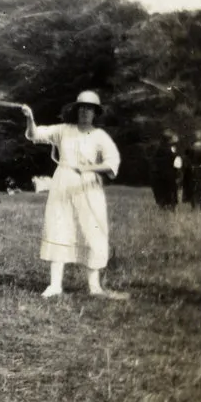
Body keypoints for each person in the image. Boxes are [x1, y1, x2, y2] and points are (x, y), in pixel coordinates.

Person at [21, 91, 128, 300]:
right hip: (62, 184)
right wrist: (29, 117)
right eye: (82, 107)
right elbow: (35, 135)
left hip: (88, 187)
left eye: (89, 108)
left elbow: (112, 164)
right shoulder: (64, 130)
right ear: (76, 110)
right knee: (59, 227)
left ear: (95, 113)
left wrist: (89, 168)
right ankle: (55, 285)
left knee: (93, 229)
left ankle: (94, 286)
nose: (85, 112)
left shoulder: (100, 136)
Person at [150, 129, 183, 210]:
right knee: (171, 192)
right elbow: (177, 163)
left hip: (159, 174)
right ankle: (170, 208)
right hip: (170, 174)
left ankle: (163, 207)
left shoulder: (158, 148)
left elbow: (154, 161)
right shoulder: (172, 149)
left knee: (162, 193)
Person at [185, 129, 201, 211]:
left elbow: (187, 158)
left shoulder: (190, 148)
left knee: (193, 188)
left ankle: (194, 206)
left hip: (192, 170)